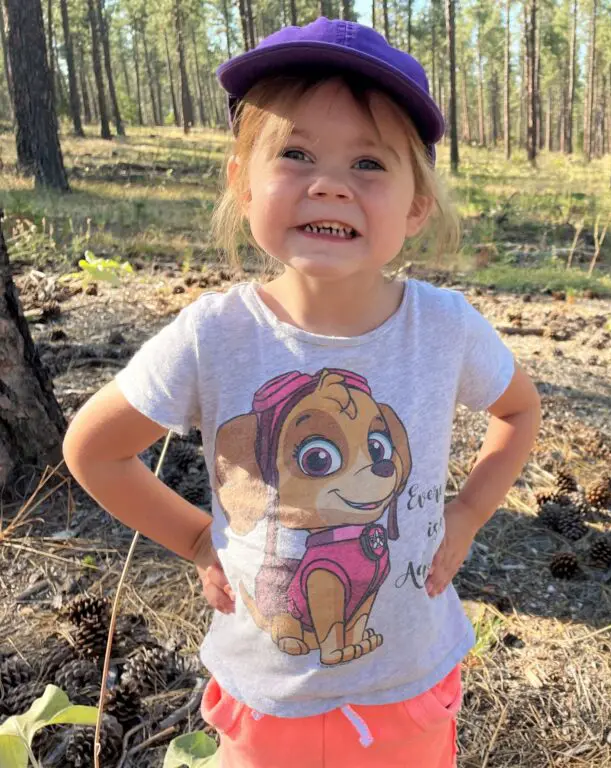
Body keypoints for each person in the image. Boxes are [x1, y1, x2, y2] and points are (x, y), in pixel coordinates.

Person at [62, 17, 541, 768]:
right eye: (295, 153)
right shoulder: (213, 334)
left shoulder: (445, 328)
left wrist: (469, 512)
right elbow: (94, 449)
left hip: (408, 692)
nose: (329, 183)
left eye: (369, 164)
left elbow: (518, 410)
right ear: (241, 181)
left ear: (417, 204)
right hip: (265, 702)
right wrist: (195, 538)